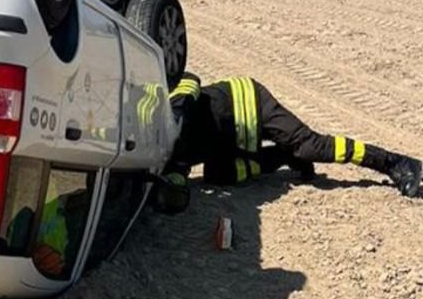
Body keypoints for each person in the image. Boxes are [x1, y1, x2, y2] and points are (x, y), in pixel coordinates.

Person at [161, 72, 423, 199]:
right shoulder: (162, 157)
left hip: (249, 101)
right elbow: (176, 176)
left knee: (311, 147)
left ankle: (394, 163)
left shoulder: (161, 107)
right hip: (230, 141)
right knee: (219, 176)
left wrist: (178, 105)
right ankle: (281, 156)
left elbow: (187, 78)